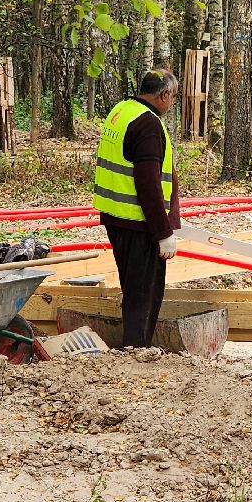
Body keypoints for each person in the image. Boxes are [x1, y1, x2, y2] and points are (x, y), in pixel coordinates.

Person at [94, 69, 181, 348]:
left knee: (133, 288)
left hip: (117, 217)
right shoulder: (148, 124)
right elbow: (148, 184)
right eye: (174, 97)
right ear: (164, 95)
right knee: (144, 293)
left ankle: (134, 346)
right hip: (138, 222)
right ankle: (136, 349)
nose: (173, 103)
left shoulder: (121, 110)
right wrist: (162, 232)